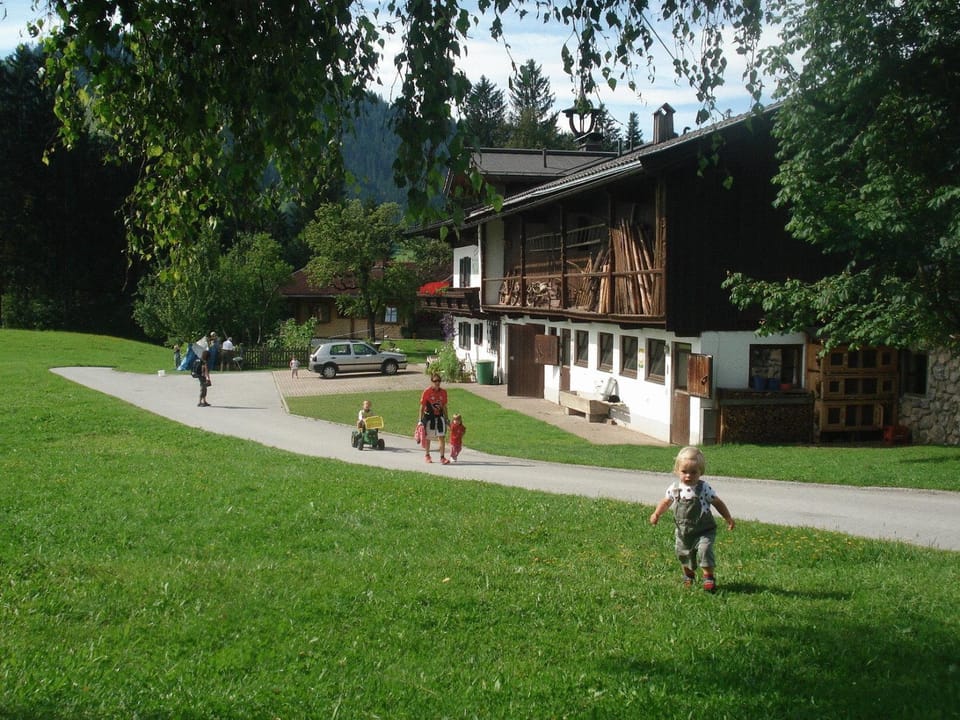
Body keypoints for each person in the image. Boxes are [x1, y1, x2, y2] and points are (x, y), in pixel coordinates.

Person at [649, 446, 735, 592]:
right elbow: (666, 502)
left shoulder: (703, 488)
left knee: (704, 550)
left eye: (693, 472)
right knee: (683, 554)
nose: (688, 476)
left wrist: (728, 517)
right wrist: (656, 514)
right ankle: (688, 576)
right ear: (677, 471)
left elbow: (717, 502)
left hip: (704, 530)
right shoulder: (675, 488)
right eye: (684, 472)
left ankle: (708, 577)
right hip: (683, 532)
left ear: (701, 472)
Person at [418, 373, 449, 464]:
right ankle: (427, 455)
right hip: (429, 417)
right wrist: (420, 421)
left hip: (439, 417)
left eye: (439, 381)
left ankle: (442, 457)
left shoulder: (443, 392)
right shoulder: (427, 392)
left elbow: (444, 406)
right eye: (435, 381)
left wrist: (447, 419)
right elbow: (422, 407)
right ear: (431, 382)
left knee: (442, 437)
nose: (437, 383)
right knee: (428, 437)